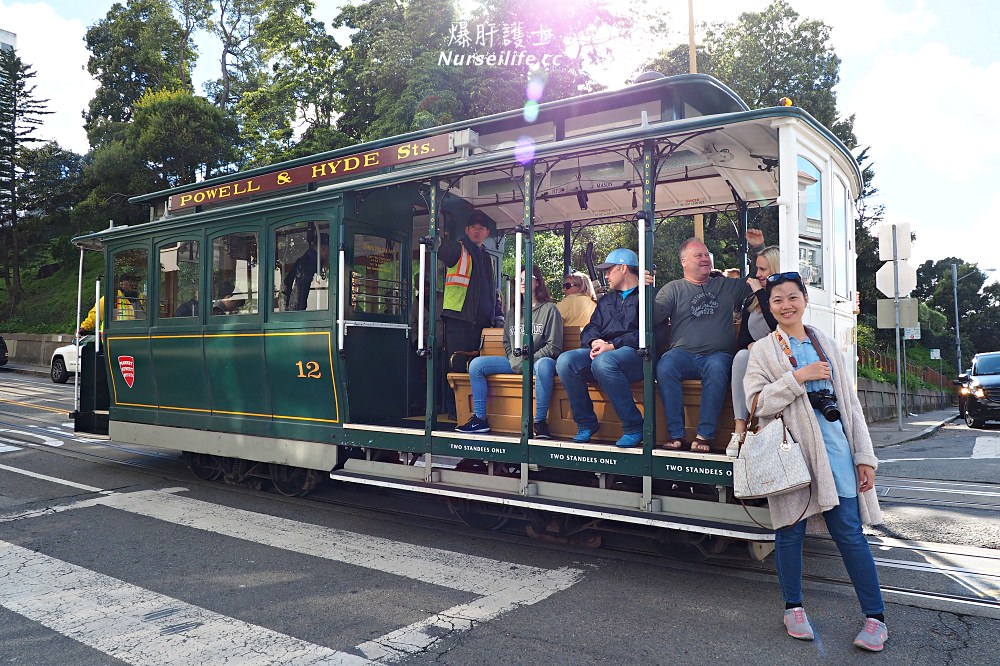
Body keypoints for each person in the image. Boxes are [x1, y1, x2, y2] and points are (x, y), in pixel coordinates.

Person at [743, 271, 887, 652]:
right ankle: (793, 609)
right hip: (790, 456)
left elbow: (850, 405)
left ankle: (876, 618)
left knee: (851, 536)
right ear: (769, 307)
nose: (786, 305)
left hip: (836, 452)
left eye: (792, 297)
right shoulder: (762, 350)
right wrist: (798, 377)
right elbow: (755, 405)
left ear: (805, 299)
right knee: (789, 534)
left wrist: (864, 456)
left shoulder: (826, 343)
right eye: (777, 300)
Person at [653, 238, 752, 452]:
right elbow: (654, 316)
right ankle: (676, 435)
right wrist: (646, 290)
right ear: (684, 261)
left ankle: (704, 436)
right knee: (665, 365)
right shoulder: (673, 289)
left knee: (717, 368)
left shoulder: (725, 286)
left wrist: (758, 247)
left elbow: (758, 280)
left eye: (707, 255)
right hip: (683, 354)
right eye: (698, 256)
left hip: (718, 355)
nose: (705, 259)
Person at [457, 266, 562, 438]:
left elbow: (554, 346)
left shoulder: (550, 310)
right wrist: (513, 358)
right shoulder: (513, 312)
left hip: (538, 361)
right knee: (476, 365)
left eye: (527, 279)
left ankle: (540, 422)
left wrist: (528, 360)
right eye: (519, 280)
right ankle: (480, 419)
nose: (522, 283)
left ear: (537, 282)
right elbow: (507, 341)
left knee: (545, 367)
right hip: (516, 361)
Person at [556, 248, 644, 448]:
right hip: (604, 353)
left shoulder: (648, 297)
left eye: (609, 270)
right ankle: (586, 423)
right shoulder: (606, 301)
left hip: (635, 356)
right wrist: (595, 341)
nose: (605, 275)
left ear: (623, 268)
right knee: (566, 361)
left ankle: (634, 426)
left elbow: (648, 335)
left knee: (604, 362)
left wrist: (612, 345)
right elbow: (591, 328)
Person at [727, 242, 781, 455]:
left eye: (763, 269)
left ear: (775, 270)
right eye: (757, 269)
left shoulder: (782, 298)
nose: (757, 274)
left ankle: (765, 428)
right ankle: (740, 428)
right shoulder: (752, 300)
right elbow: (743, 340)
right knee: (741, 356)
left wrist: (761, 293)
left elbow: (776, 325)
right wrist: (751, 345)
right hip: (755, 360)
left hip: (780, 357)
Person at [438, 212, 496, 370]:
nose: (477, 231)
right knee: (458, 366)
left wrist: (497, 315)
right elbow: (443, 249)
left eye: (481, 228)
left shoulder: (487, 258)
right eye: (473, 227)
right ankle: (455, 396)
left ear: (487, 232)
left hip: (482, 322)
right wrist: (436, 240)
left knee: (478, 367)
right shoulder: (458, 249)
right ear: (466, 230)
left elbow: (491, 290)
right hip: (459, 319)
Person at [78, 273, 146, 335]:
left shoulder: (142, 298)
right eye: (130, 281)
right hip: (114, 338)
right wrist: (84, 327)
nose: (134, 284)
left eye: (136, 281)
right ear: (121, 284)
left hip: (137, 336)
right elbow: (96, 313)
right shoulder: (112, 297)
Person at [284, 233, 329, 311]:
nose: (328, 256)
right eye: (329, 253)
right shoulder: (310, 265)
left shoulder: (303, 261)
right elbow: (299, 295)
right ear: (323, 249)